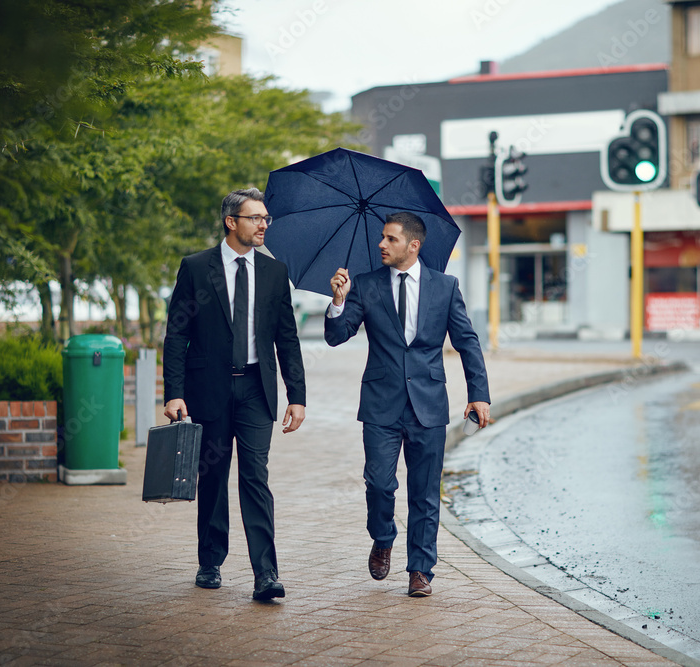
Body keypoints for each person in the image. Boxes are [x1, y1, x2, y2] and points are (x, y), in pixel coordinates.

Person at [325, 211, 490, 597]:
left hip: (429, 404)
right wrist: (338, 301)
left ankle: (420, 570)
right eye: (382, 237)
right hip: (381, 404)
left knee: (425, 493)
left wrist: (478, 394)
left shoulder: (445, 287)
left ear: (413, 245)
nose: (381, 244)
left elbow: (467, 342)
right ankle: (383, 537)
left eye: (390, 239)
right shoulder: (365, 285)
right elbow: (336, 336)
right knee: (379, 484)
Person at [163, 188, 306, 601]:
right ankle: (210, 561)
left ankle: (266, 574)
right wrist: (174, 392)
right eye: (255, 218)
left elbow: (287, 338)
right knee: (212, 475)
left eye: (266, 219)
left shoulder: (275, 273)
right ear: (231, 222)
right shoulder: (195, 268)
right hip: (207, 388)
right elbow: (176, 335)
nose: (263, 225)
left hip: (256, 389)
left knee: (254, 477)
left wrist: (296, 395)